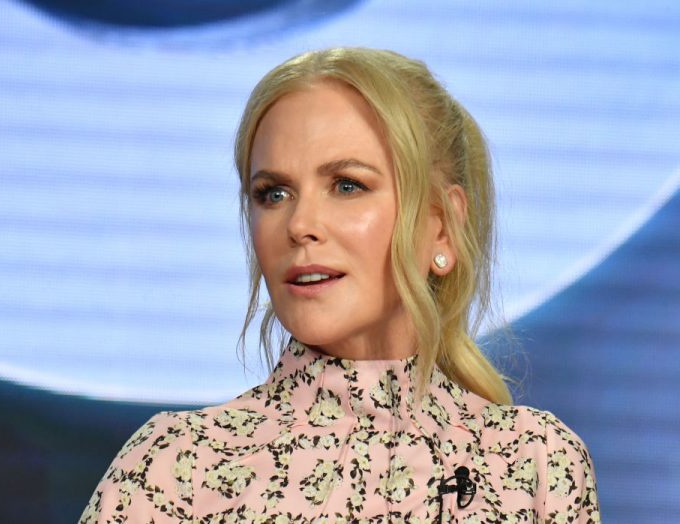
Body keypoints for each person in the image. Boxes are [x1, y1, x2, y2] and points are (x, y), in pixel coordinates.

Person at [79, 47, 600, 523]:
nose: (300, 224)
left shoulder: (534, 465)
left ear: (442, 226)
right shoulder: (178, 467)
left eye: (347, 185)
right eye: (273, 193)